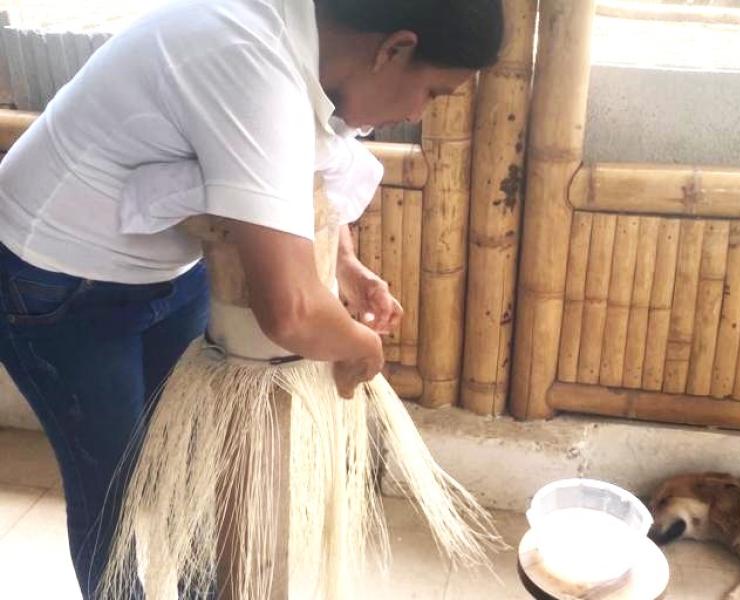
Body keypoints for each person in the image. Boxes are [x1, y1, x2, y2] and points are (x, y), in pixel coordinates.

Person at [0, 0, 504, 597]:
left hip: (165, 266)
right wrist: (361, 345)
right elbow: (288, 310)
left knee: (190, 468)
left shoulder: (316, 50)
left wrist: (344, 266)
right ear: (393, 49)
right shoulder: (249, 58)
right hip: (54, 276)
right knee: (116, 487)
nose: (417, 113)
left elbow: (297, 162)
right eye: (432, 93)